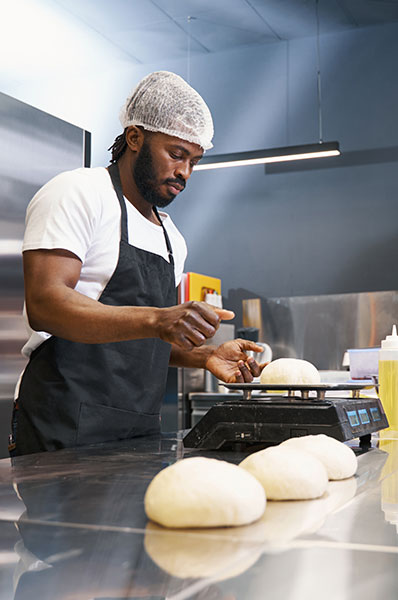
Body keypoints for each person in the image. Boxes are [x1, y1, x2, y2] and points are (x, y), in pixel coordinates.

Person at [9, 71, 266, 457]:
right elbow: (45, 304)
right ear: (135, 138)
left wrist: (203, 354)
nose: (184, 173)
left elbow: (143, 339)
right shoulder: (79, 193)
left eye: (194, 161)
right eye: (176, 154)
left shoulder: (171, 238)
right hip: (62, 423)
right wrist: (160, 319)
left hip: (138, 430)